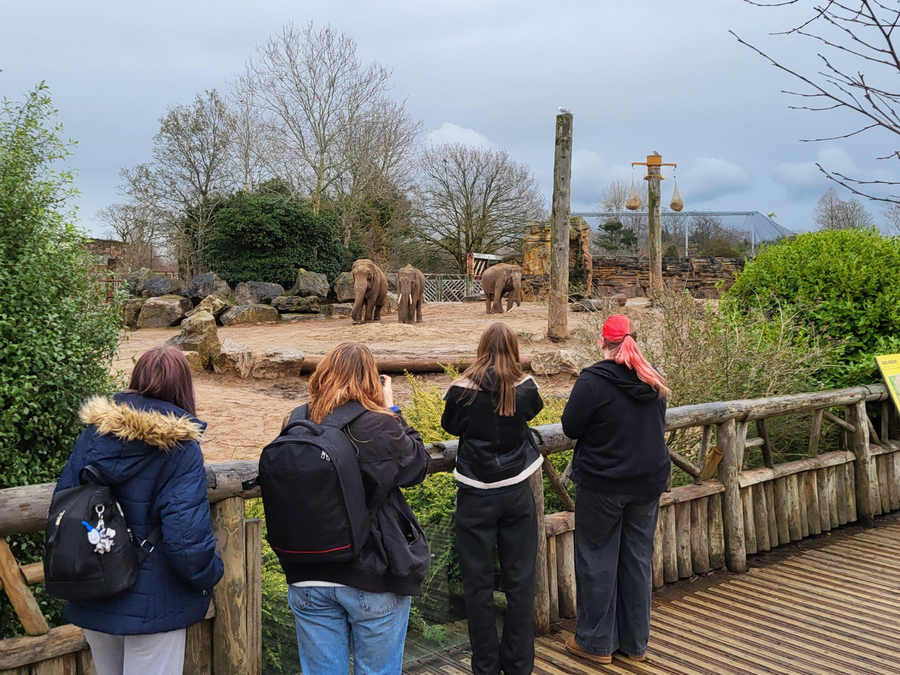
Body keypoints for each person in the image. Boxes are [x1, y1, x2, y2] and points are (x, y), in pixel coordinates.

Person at [54, 345, 224, 675]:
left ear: (136, 378)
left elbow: (63, 506)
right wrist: (212, 573)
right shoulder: (181, 449)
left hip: (95, 585)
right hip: (155, 602)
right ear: (183, 387)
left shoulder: (92, 435)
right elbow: (186, 540)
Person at [285, 342, 431, 675]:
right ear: (370, 381)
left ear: (323, 375)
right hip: (371, 571)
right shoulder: (377, 426)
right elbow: (418, 465)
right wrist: (392, 409)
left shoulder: (297, 421)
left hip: (307, 572)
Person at [561, 314, 670, 665]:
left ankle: (596, 644)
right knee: (637, 559)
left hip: (604, 483)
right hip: (648, 480)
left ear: (601, 342)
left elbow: (570, 426)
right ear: (634, 340)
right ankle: (635, 644)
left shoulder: (593, 380)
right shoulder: (651, 377)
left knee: (596, 556)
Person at [441, 323, 545, 675]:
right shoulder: (525, 387)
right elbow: (534, 413)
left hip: (475, 492)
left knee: (478, 585)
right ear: (514, 348)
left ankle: (485, 665)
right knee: (520, 580)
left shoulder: (461, 390)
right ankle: (518, 665)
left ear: (481, 347)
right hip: (517, 490)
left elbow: (451, 428)